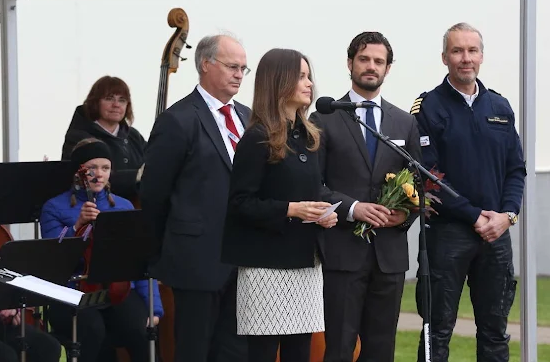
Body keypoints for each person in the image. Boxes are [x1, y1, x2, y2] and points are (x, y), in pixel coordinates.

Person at [410, 22, 526, 362]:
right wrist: (474, 215)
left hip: (496, 235)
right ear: (445, 57)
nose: (465, 58)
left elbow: (515, 170)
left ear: (482, 56)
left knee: (495, 331)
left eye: (472, 50)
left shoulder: (500, 107)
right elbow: (427, 176)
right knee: (437, 330)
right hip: (447, 235)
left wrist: (507, 215)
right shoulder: (428, 108)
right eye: (457, 51)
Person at [309, 31, 422, 362]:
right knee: (340, 349)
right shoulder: (324, 118)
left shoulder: (404, 123)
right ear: (350, 63)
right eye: (364, 59)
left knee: (381, 350)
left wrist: (407, 214)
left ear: (388, 68)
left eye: (379, 61)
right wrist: (353, 209)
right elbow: (313, 185)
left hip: (389, 258)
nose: (371, 66)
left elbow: (419, 184)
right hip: (342, 254)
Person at [221, 48, 338, 362]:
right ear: (279, 82)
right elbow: (239, 203)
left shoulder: (309, 136)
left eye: (308, 75)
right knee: (264, 354)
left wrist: (323, 214)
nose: (309, 83)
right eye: (300, 76)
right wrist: (290, 209)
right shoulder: (256, 138)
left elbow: (312, 191)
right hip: (266, 268)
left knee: (300, 353)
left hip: (305, 263)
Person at [140, 34, 251, 362]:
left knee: (234, 352)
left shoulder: (248, 117)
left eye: (244, 68)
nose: (239, 74)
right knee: (194, 350)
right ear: (205, 64)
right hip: (196, 261)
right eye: (232, 66)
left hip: (243, 259)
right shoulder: (178, 120)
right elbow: (154, 194)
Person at [40, 138, 163, 362]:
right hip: (73, 292)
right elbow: (52, 256)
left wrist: (154, 307)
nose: (99, 174)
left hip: (118, 290)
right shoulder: (54, 207)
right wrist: (77, 227)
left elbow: (139, 260)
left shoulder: (124, 206)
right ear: (78, 172)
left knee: (140, 329)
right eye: (92, 168)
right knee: (93, 331)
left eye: (105, 168)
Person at [62, 76, 147, 201]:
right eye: (109, 99)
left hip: (133, 207)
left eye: (122, 100)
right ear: (95, 102)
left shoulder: (134, 135)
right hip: (94, 208)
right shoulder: (78, 137)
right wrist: (137, 176)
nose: (116, 105)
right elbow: (87, 177)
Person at [0, 236, 62, 362]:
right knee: (6, 357)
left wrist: (11, 306)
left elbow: (4, 275)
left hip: (0, 320)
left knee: (49, 347)